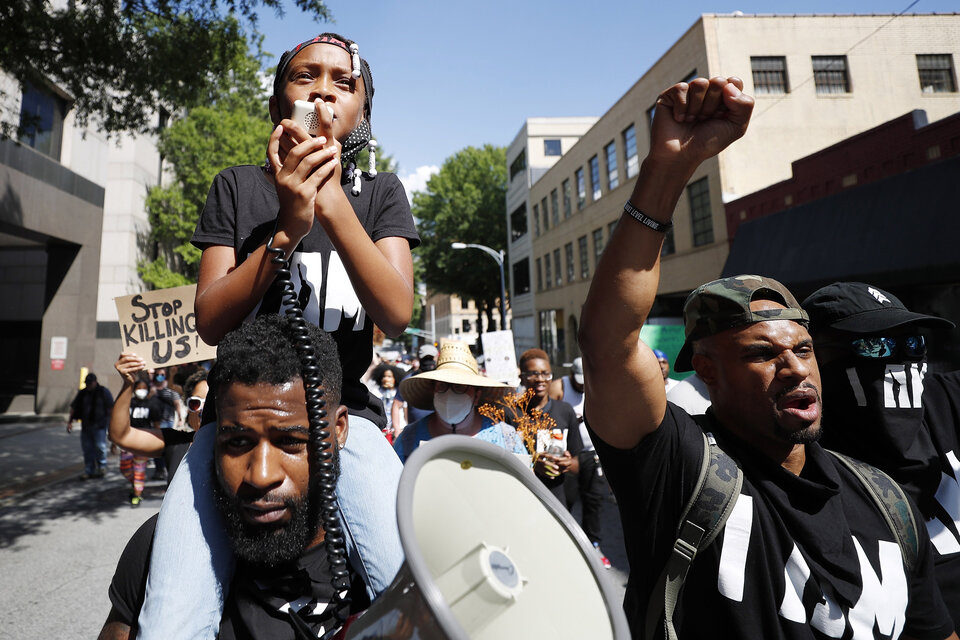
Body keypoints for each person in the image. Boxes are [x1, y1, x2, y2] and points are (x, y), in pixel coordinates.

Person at [578, 76, 956, 638]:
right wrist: (669, 169)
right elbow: (609, 343)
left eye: (803, 349)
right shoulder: (684, 472)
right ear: (706, 370)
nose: (795, 367)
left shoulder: (885, 503)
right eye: (762, 353)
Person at [137, 32, 418, 638]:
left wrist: (331, 202)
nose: (324, 90)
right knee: (171, 615)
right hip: (234, 429)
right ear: (277, 103)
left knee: (411, 582)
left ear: (361, 113)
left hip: (348, 422)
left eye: (345, 82)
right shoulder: (236, 188)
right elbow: (210, 318)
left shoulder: (383, 194)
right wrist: (287, 230)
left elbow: (396, 311)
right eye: (305, 76)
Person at [98, 315, 371, 639]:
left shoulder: (375, 557)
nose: (261, 475)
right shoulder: (157, 548)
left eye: (290, 442)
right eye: (238, 442)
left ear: (337, 430)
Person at [803, 281, 960, 623]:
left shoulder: (943, 401)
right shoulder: (803, 457)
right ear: (814, 357)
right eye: (876, 346)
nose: (902, 358)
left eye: (914, 343)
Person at [393, 341, 525, 463]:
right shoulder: (409, 439)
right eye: (442, 385)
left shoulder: (506, 438)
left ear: (477, 396)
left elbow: (523, 484)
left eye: (460, 386)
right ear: (433, 391)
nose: (449, 393)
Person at [547, 357, 608, 565]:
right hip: (568, 454)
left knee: (594, 500)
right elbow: (548, 414)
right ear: (571, 375)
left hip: (592, 452)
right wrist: (573, 419)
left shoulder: (598, 384)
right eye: (579, 381)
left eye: (585, 381)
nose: (582, 385)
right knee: (567, 498)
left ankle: (593, 545)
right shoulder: (559, 386)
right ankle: (563, 542)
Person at [109, 354, 204, 484]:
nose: (203, 409)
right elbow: (120, 436)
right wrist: (128, 383)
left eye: (211, 402)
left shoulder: (240, 447)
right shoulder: (177, 443)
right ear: (188, 409)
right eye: (196, 403)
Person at [68, 372, 114, 480]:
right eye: (87, 383)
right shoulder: (83, 393)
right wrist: (70, 422)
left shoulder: (103, 391)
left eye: (90, 383)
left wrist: (111, 423)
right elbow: (74, 407)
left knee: (100, 447)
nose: (88, 386)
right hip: (86, 426)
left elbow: (111, 408)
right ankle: (89, 470)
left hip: (100, 425)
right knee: (88, 449)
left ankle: (102, 467)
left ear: (95, 382)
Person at [391, 344, 438, 435]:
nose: (428, 361)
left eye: (430, 358)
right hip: (416, 433)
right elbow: (396, 405)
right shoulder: (409, 380)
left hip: (439, 432)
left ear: (436, 358)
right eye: (425, 358)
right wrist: (397, 430)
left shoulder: (443, 378)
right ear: (419, 358)